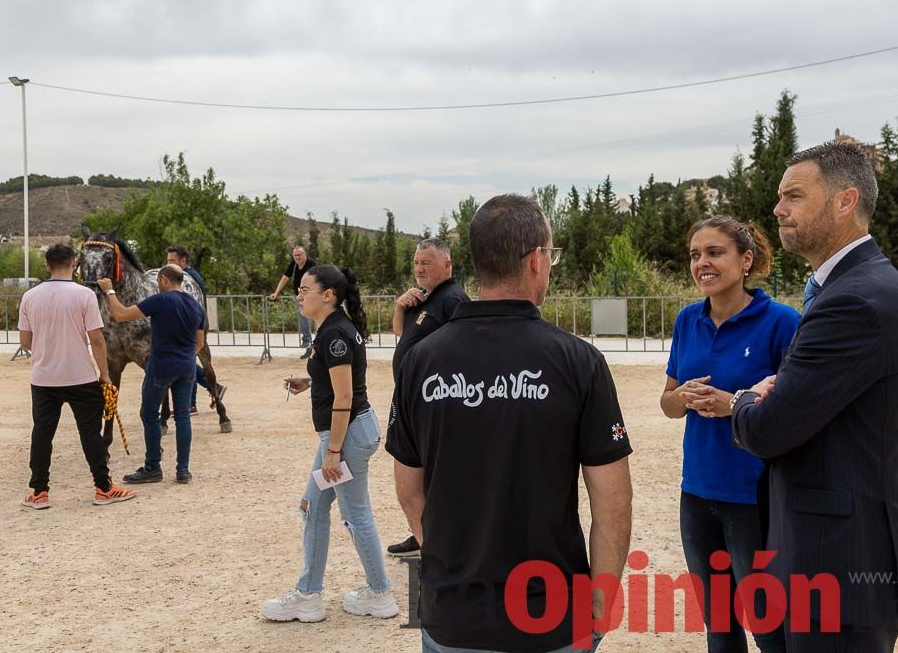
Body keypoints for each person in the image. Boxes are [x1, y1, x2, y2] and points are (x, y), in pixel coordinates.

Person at [387, 194, 632, 653]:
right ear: (537, 259)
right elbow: (612, 499)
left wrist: (447, 559)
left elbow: (408, 490)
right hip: (551, 616)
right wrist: (603, 599)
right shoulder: (579, 361)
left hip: (450, 614)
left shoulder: (420, 360)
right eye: (552, 254)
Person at [730, 142, 898, 653]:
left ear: (845, 201)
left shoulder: (855, 302)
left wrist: (747, 400)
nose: (778, 210)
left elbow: (769, 429)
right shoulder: (852, 287)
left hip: (839, 574)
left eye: (794, 196)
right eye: (780, 197)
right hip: (836, 565)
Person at [660, 217, 798, 653]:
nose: (702, 263)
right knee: (719, 626)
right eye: (695, 255)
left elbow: (796, 410)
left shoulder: (781, 323)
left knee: (768, 626)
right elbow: (667, 405)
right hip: (697, 493)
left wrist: (734, 402)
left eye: (715, 253)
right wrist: (681, 396)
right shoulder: (687, 321)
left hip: (753, 496)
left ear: (746, 260)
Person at [261, 264, 398, 623]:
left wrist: (333, 452)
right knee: (315, 508)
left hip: (345, 436)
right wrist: (309, 382)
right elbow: (340, 383)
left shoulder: (335, 335)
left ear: (328, 296)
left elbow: (344, 398)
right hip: (349, 433)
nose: (298, 296)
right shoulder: (332, 332)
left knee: (354, 514)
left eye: (304, 290)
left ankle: (376, 593)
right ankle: (312, 594)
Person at [18, 244, 137, 509]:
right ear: (75, 264)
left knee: (42, 434)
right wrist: (104, 374)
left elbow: (26, 341)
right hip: (80, 376)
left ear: (47, 266)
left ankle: (39, 492)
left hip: (43, 378)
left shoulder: (30, 297)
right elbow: (96, 339)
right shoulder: (84, 295)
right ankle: (103, 488)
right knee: (90, 434)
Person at [385, 238, 470, 559]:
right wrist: (399, 306)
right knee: (420, 476)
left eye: (427, 263)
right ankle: (422, 535)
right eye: (417, 263)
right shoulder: (422, 298)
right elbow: (400, 335)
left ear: (447, 265)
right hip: (410, 400)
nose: (420, 269)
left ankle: (440, 545)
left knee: (433, 477)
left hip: (434, 403)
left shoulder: (453, 299)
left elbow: (464, 349)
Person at [98, 264, 205, 485]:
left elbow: (120, 314)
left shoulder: (160, 300)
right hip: (186, 367)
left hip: (161, 365)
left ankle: (152, 466)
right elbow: (200, 343)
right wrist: (185, 356)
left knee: (148, 414)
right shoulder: (196, 306)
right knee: (183, 417)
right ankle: (183, 470)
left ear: (165, 279)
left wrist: (109, 290)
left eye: (158, 280)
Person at [165, 245, 226, 415]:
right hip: (191, 325)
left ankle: (191, 403)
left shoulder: (190, 278)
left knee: (189, 362)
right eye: (167, 260)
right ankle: (214, 387)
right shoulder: (184, 275)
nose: (168, 264)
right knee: (189, 361)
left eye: (172, 261)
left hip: (193, 326)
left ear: (183, 261)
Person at [269, 245, 318, 358]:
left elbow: (315, 281)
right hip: (300, 297)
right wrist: (276, 293)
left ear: (304, 254)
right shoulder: (294, 265)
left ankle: (318, 346)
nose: (297, 257)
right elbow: (285, 278)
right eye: (295, 255)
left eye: (299, 255)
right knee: (303, 318)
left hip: (312, 295)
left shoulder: (311, 265)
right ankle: (308, 345)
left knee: (317, 321)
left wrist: (304, 293)